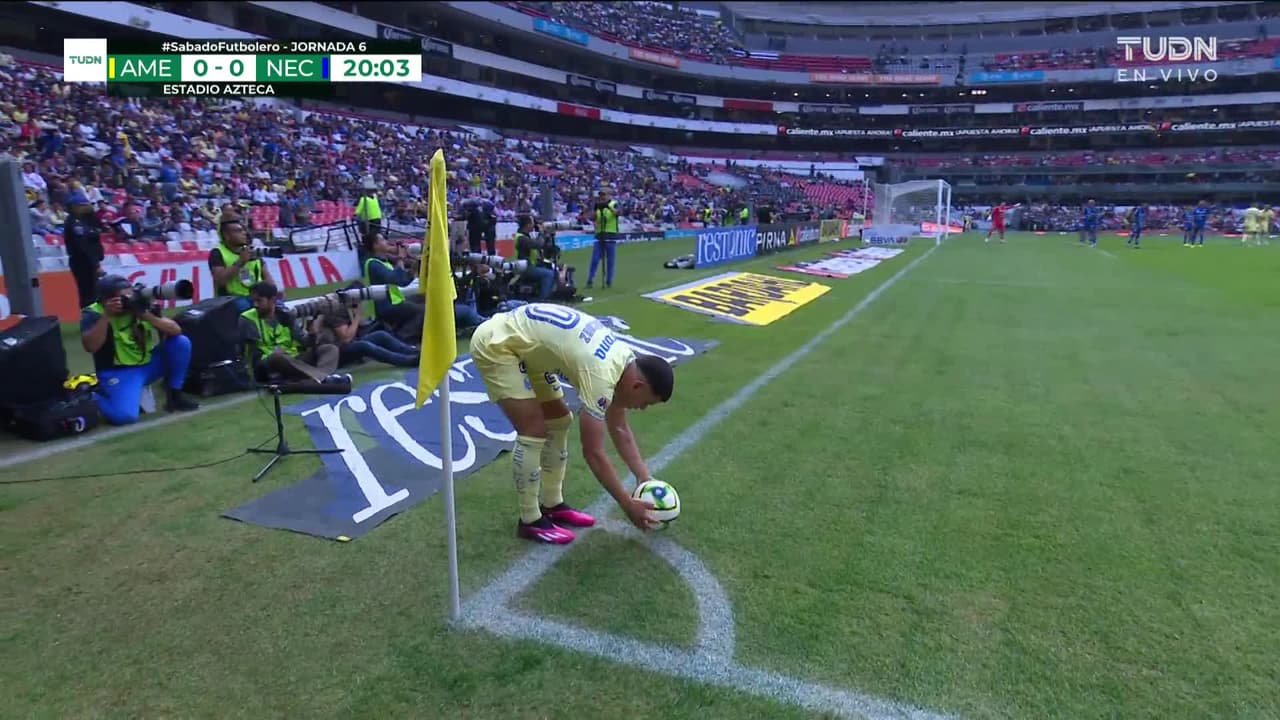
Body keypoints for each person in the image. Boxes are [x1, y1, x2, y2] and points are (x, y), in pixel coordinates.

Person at [470, 303, 675, 544]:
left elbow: (619, 427)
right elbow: (593, 453)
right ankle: (529, 520)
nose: (642, 408)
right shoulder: (601, 374)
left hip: (528, 345)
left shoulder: (623, 361)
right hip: (498, 344)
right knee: (534, 429)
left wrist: (644, 477)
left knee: (559, 419)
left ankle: (552, 504)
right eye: (646, 403)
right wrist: (627, 504)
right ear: (637, 386)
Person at [80, 275, 200, 425]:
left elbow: (175, 330)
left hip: (148, 364)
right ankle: (92, 395)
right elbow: (91, 346)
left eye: (129, 295)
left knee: (180, 343)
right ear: (105, 300)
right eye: (123, 298)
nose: (128, 300)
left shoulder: (140, 306)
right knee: (125, 416)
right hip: (119, 372)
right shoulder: (93, 313)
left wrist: (147, 316)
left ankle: (175, 395)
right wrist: (106, 316)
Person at [240, 282, 345, 384]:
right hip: (267, 364)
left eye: (259, 301)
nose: (255, 305)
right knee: (277, 357)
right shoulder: (247, 319)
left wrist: (313, 334)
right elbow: (252, 354)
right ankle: (322, 379)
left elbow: (305, 342)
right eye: (253, 301)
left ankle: (319, 379)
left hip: (293, 359)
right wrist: (273, 354)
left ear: (272, 300)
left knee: (330, 348)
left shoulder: (286, 315)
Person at [315, 292, 421, 368]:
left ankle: (413, 352)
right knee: (364, 346)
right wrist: (357, 316)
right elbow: (346, 338)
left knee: (380, 335)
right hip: (335, 354)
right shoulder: (334, 312)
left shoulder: (347, 308)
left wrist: (357, 316)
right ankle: (406, 361)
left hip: (347, 344)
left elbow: (360, 326)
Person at [209, 217, 276, 313]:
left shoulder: (253, 251)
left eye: (243, 230)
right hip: (231, 298)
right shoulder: (218, 253)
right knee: (244, 308)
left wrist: (272, 293)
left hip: (256, 296)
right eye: (238, 231)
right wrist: (240, 262)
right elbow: (220, 280)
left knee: (282, 310)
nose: (244, 233)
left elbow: (268, 278)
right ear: (227, 235)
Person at [362, 232, 423, 337]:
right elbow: (395, 279)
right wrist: (400, 258)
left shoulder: (384, 262)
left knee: (421, 300)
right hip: (385, 306)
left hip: (394, 302)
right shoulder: (373, 264)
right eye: (382, 240)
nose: (386, 242)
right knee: (421, 311)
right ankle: (403, 337)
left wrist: (415, 266)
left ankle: (401, 333)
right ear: (375, 245)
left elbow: (403, 282)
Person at [63, 190, 104, 310]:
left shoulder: (87, 220)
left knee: (94, 292)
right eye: (84, 205)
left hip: (89, 261)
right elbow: (83, 246)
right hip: (83, 262)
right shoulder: (74, 222)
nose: (88, 207)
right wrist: (95, 265)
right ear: (76, 207)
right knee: (88, 293)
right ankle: (89, 317)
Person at [513, 216, 556, 300]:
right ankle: (543, 298)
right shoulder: (521, 238)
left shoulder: (525, 236)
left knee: (552, 268)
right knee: (548, 274)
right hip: (525, 268)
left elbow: (543, 246)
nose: (534, 225)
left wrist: (548, 236)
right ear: (528, 225)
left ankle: (548, 294)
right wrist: (541, 232)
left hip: (530, 265)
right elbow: (538, 244)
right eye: (533, 223)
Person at [587, 189, 619, 289]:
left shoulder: (614, 204)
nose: (602, 197)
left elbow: (617, 213)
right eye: (601, 195)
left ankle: (609, 281)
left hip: (610, 235)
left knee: (610, 260)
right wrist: (594, 209)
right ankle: (590, 280)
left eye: (604, 195)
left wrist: (608, 206)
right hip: (599, 235)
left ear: (609, 195)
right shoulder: (598, 205)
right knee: (595, 259)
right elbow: (592, 218)